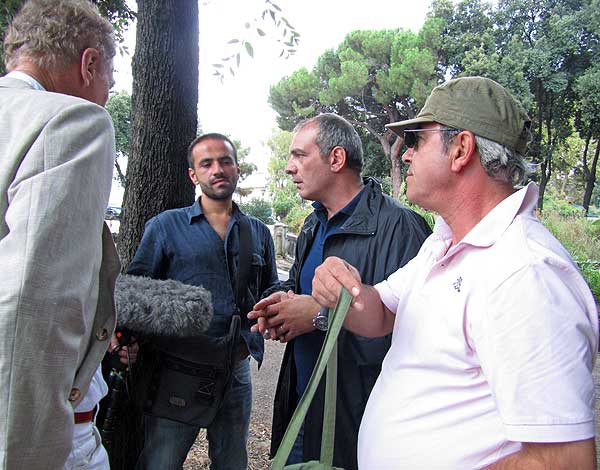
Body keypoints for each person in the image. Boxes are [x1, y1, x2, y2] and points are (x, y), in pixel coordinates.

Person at [311, 77, 599, 469]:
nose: (405, 155)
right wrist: (343, 286)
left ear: (461, 149)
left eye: (416, 141)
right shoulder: (443, 243)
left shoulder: (525, 273)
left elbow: (562, 461)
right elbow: (381, 314)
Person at [247, 113, 431, 469]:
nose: (288, 167)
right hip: (301, 411)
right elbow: (301, 287)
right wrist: (283, 302)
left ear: (336, 158)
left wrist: (317, 317)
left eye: (299, 155)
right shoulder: (314, 225)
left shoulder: (400, 228)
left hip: (356, 429)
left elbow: (408, 337)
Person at [0, 1, 122, 469]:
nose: (107, 94)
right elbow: (32, 307)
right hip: (37, 437)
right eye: (109, 80)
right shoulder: (70, 121)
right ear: (89, 64)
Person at [128, 133, 279, 470]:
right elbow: (136, 292)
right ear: (193, 175)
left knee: (232, 463)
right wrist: (125, 339)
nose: (218, 169)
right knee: (161, 462)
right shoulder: (166, 226)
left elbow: (270, 287)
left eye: (225, 161)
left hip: (235, 370)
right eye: (206, 163)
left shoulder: (257, 232)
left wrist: (272, 312)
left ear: (237, 169)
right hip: (176, 368)